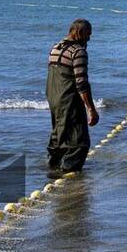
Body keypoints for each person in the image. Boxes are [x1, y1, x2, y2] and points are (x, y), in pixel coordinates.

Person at [46, 19, 100, 175]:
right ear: (79, 32)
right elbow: (82, 83)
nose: (89, 39)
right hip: (69, 100)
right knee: (80, 143)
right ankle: (70, 179)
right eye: (88, 35)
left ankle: (52, 169)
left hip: (54, 98)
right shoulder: (78, 52)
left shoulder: (55, 48)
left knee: (58, 135)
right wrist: (91, 109)